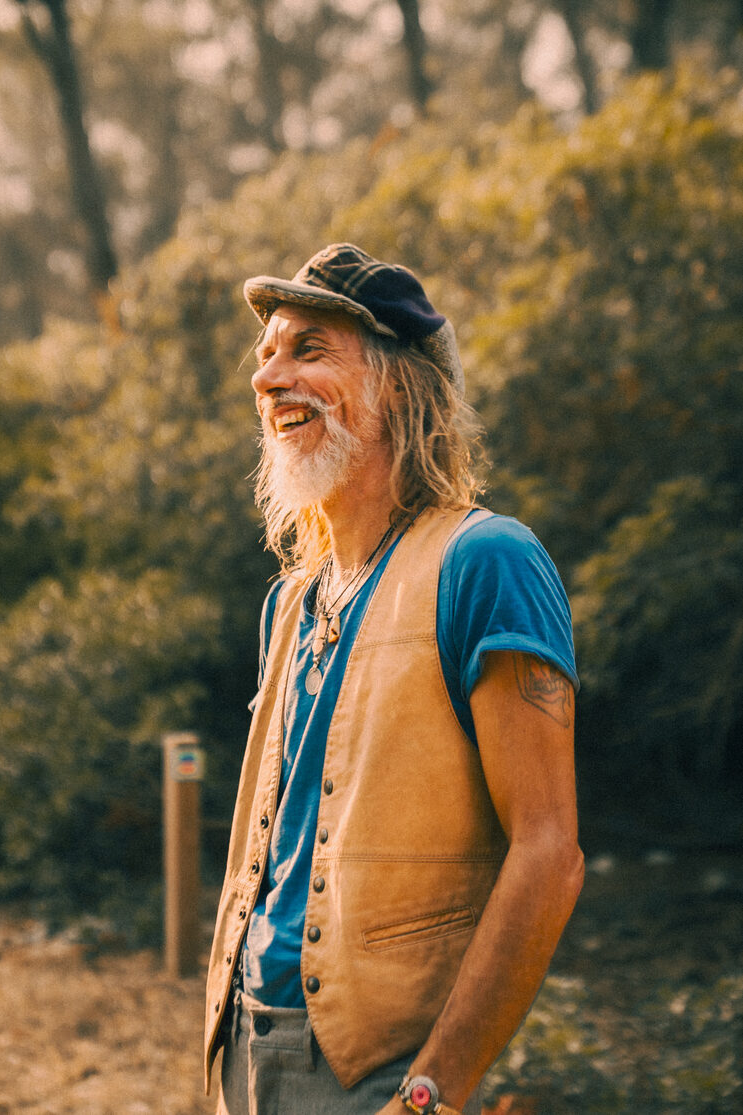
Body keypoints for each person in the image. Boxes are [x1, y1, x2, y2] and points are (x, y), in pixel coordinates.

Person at [205, 243, 584, 1115]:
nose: (268, 378)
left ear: (397, 384)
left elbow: (548, 853)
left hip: (380, 1073)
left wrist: (431, 1092)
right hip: (243, 1048)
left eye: (308, 350)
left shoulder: (487, 560)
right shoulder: (290, 601)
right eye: (267, 353)